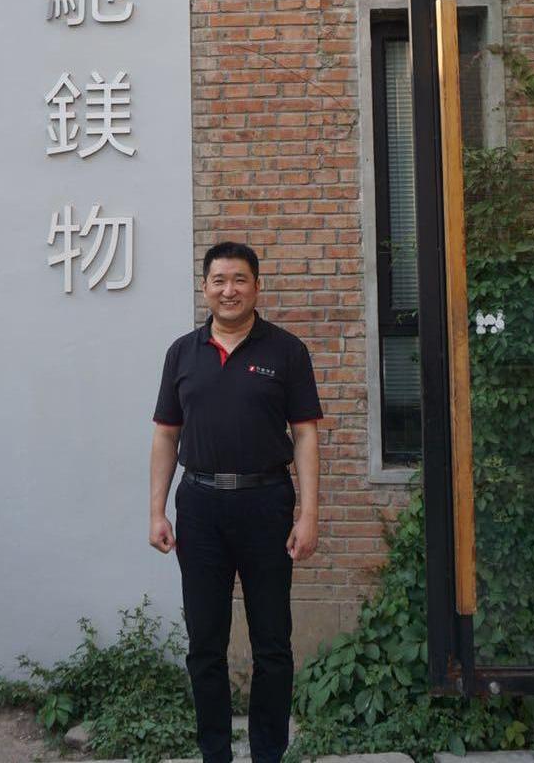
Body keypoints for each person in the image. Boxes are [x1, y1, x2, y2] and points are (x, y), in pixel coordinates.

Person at [149, 241, 322, 763]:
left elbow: (306, 435)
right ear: (205, 287)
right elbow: (164, 435)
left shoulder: (286, 351)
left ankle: (269, 753)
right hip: (199, 508)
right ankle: (216, 754)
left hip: (267, 504)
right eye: (219, 279)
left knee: (273, 643)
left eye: (240, 279)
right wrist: (157, 509)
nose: (230, 289)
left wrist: (308, 514)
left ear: (256, 287)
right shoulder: (182, 353)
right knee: (205, 644)